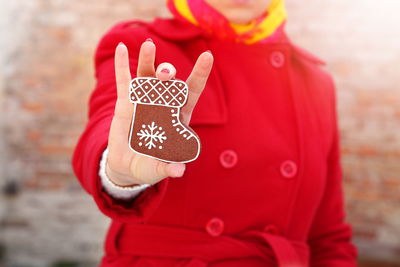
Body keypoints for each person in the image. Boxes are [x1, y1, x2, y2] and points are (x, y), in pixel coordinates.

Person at [72, 0, 358, 266]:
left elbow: (328, 236)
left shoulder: (316, 83)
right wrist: (118, 171)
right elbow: (108, 119)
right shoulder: (145, 48)